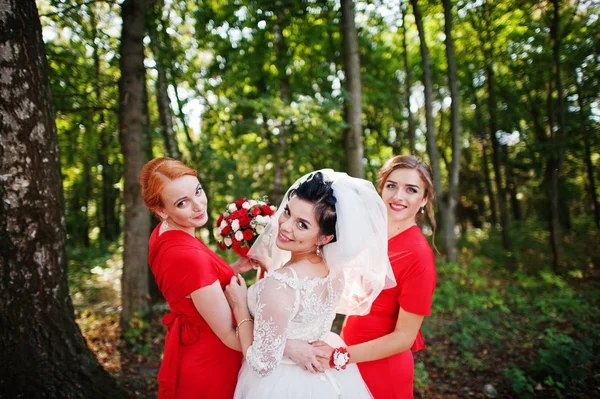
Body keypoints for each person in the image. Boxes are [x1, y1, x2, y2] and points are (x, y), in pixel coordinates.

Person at [224, 170, 395, 399]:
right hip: (326, 379)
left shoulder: (280, 284)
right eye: (287, 212)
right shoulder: (334, 271)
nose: (285, 226)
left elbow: (261, 363)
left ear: (325, 238)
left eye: (302, 225)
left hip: (281, 384)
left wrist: (240, 307)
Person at [313, 155, 437, 398]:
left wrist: (341, 356)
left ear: (423, 199)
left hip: (382, 369)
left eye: (411, 190)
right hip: (347, 355)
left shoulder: (419, 255)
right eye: (392, 185)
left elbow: (404, 337)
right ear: (381, 189)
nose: (398, 196)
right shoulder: (370, 235)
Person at [139, 157, 254, 399]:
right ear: (161, 210)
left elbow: (193, 287)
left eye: (198, 191)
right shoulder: (187, 257)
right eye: (182, 203)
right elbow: (232, 338)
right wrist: (241, 303)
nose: (198, 205)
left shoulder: (164, 234)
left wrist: (232, 268)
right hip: (215, 363)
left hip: (192, 348)